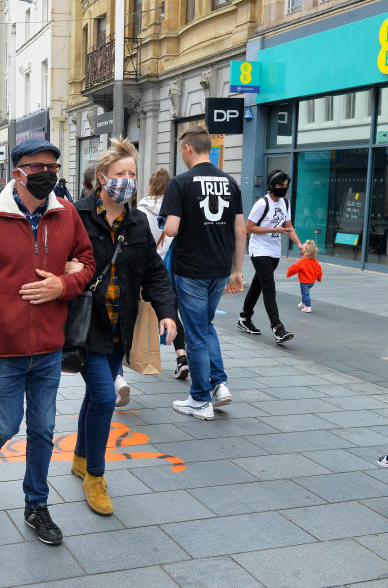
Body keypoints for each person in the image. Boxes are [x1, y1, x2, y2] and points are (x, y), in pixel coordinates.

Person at [0, 138, 96, 546]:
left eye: (52, 165)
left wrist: (63, 286)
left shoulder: (66, 214)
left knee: (44, 428)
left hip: (49, 347)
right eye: (37, 166)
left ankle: (36, 504)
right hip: (3, 347)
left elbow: (87, 262)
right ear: (17, 172)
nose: (46, 172)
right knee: (6, 423)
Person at [73, 138, 177, 516]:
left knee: (96, 396)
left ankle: (82, 457)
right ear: (102, 178)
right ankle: (95, 477)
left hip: (121, 328)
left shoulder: (137, 223)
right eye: (121, 174)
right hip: (87, 327)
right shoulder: (77, 216)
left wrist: (168, 312)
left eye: (133, 174)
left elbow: (153, 272)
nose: (128, 180)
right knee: (103, 396)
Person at [161, 125, 246, 420]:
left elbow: (171, 228)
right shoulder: (230, 182)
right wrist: (237, 270)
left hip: (191, 269)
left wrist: (167, 225)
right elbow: (240, 229)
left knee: (196, 332)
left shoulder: (180, 183)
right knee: (206, 326)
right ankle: (218, 383)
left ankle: (199, 400)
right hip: (220, 267)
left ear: (187, 148)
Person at [236, 170, 302, 344]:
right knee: (269, 288)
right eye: (280, 185)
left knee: (258, 285)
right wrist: (274, 229)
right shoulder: (261, 204)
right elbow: (249, 228)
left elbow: (289, 226)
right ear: (272, 185)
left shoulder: (285, 203)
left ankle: (244, 318)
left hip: (274, 252)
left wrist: (299, 244)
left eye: (286, 186)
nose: (283, 188)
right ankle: (277, 328)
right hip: (259, 250)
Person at [137, 167, 190, 380]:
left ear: (151, 183)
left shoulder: (141, 208)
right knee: (172, 312)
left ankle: (139, 356)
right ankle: (181, 356)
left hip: (148, 266)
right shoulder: (177, 208)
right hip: (171, 265)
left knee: (143, 312)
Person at [286, 240, 323, 313]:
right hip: (312, 282)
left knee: (305, 294)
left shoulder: (302, 261)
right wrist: (319, 278)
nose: (300, 249)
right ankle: (303, 303)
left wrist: (288, 274)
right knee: (304, 293)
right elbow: (319, 270)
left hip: (304, 282)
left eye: (302, 248)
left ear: (306, 251)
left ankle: (308, 307)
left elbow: (294, 269)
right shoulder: (315, 261)